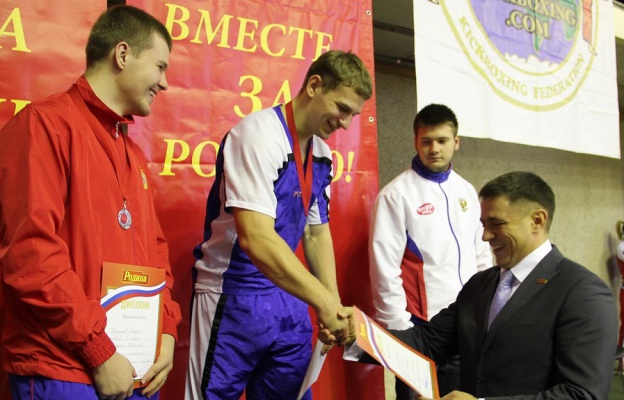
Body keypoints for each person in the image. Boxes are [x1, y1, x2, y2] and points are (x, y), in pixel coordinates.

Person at [0, 6, 181, 400]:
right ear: (122, 54)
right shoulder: (43, 126)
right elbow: (32, 254)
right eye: (160, 66)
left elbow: (155, 254)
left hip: (135, 370)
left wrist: (166, 329)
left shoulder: (132, 153)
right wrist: (98, 349)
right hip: (66, 370)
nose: (164, 83)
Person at [184, 50, 373, 400]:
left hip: (288, 295)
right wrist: (322, 301)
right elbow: (256, 237)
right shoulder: (256, 135)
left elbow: (315, 232)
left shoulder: (322, 155)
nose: (346, 123)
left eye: (353, 115)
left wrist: (331, 303)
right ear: (314, 86)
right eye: (342, 108)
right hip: (232, 292)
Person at [348, 171, 618, 399]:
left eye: (496, 224)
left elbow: (581, 394)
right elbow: (426, 342)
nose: (486, 236)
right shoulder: (481, 284)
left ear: (537, 220)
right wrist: (354, 334)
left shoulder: (583, 293)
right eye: (483, 224)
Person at [368, 103, 492, 397]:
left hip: (465, 324)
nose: (434, 149)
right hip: (421, 329)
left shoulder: (466, 191)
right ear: (415, 142)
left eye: (442, 140)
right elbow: (384, 269)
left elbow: (482, 255)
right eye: (426, 141)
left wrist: (485, 308)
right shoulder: (395, 195)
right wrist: (402, 332)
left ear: (456, 142)